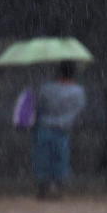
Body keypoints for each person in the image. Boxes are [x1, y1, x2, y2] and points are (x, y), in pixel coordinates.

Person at [33, 60, 86, 199]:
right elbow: (79, 111)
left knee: (43, 159)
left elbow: (38, 107)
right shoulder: (78, 92)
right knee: (61, 160)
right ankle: (59, 189)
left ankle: (43, 189)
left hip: (44, 127)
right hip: (63, 130)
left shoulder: (46, 88)